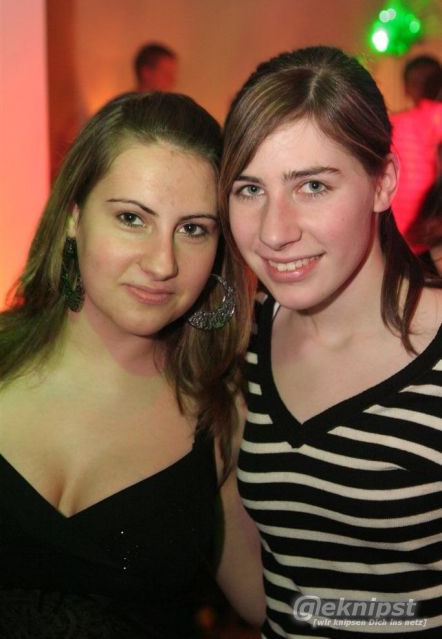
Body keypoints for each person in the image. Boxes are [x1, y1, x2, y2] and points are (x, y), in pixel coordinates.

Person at [0, 91, 264, 637]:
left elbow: (280, 605)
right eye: (131, 218)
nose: (163, 263)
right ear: (73, 217)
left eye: (194, 229)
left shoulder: (223, 414)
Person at [219, 46, 442, 637]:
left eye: (312, 185)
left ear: (383, 182)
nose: (274, 232)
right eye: (249, 189)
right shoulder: (243, 339)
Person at [390, 54, 442, 247]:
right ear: (406, 88)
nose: (424, 89)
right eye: (417, 83)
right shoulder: (394, 126)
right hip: (405, 238)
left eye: (430, 82)